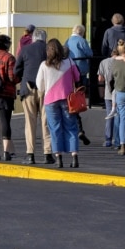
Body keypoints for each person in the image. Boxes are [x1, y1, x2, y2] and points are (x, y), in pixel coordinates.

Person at [35, 38, 81, 168]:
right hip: (68, 99)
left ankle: (59, 158)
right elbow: (77, 77)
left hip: (50, 100)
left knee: (55, 129)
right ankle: (74, 157)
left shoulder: (44, 65)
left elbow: (40, 86)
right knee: (71, 127)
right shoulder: (70, 62)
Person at [15, 28, 53, 164]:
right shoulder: (49, 50)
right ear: (44, 38)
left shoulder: (26, 49)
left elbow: (16, 69)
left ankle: (30, 154)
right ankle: (48, 153)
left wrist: (23, 78)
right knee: (46, 122)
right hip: (46, 89)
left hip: (28, 88)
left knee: (30, 122)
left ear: (33, 38)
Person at [65, 24, 94, 145]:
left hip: (68, 71)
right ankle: (80, 104)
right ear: (82, 32)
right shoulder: (81, 41)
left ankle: (77, 128)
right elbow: (90, 54)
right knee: (80, 92)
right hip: (80, 70)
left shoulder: (67, 41)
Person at [98, 52, 117, 147]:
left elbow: (100, 78)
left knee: (109, 115)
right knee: (119, 116)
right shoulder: (122, 61)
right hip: (119, 92)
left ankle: (108, 139)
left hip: (108, 92)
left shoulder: (103, 62)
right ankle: (119, 140)